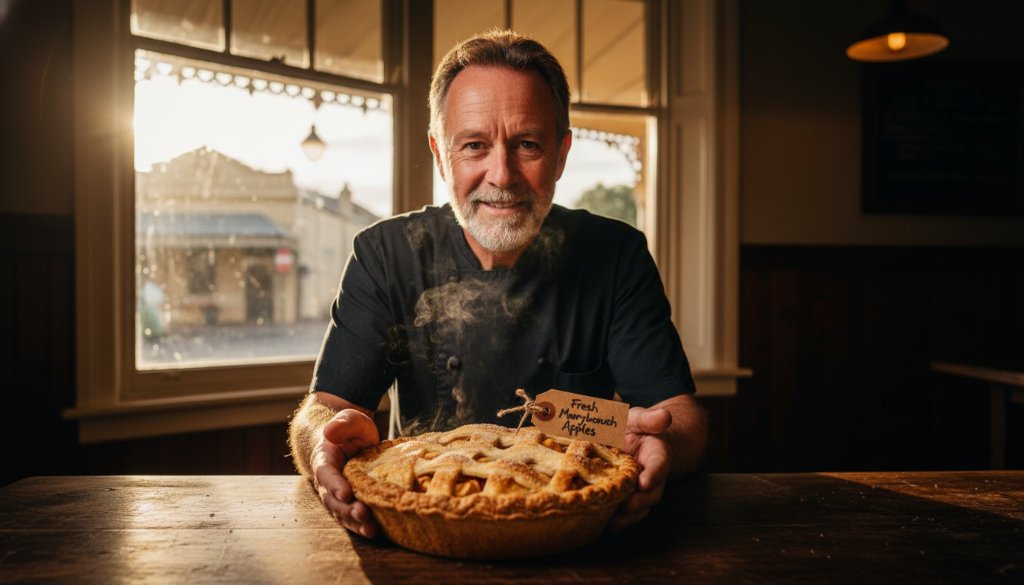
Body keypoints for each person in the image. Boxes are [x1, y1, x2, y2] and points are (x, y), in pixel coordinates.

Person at [289, 29, 707, 539]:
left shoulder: (615, 254)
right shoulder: (385, 254)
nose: (502, 174)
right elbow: (325, 409)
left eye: (527, 143)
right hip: (425, 523)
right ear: (441, 155)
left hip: (574, 533)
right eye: (474, 145)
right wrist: (320, 442)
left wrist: (663, 442)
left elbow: (680, 416)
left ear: (561, 154)